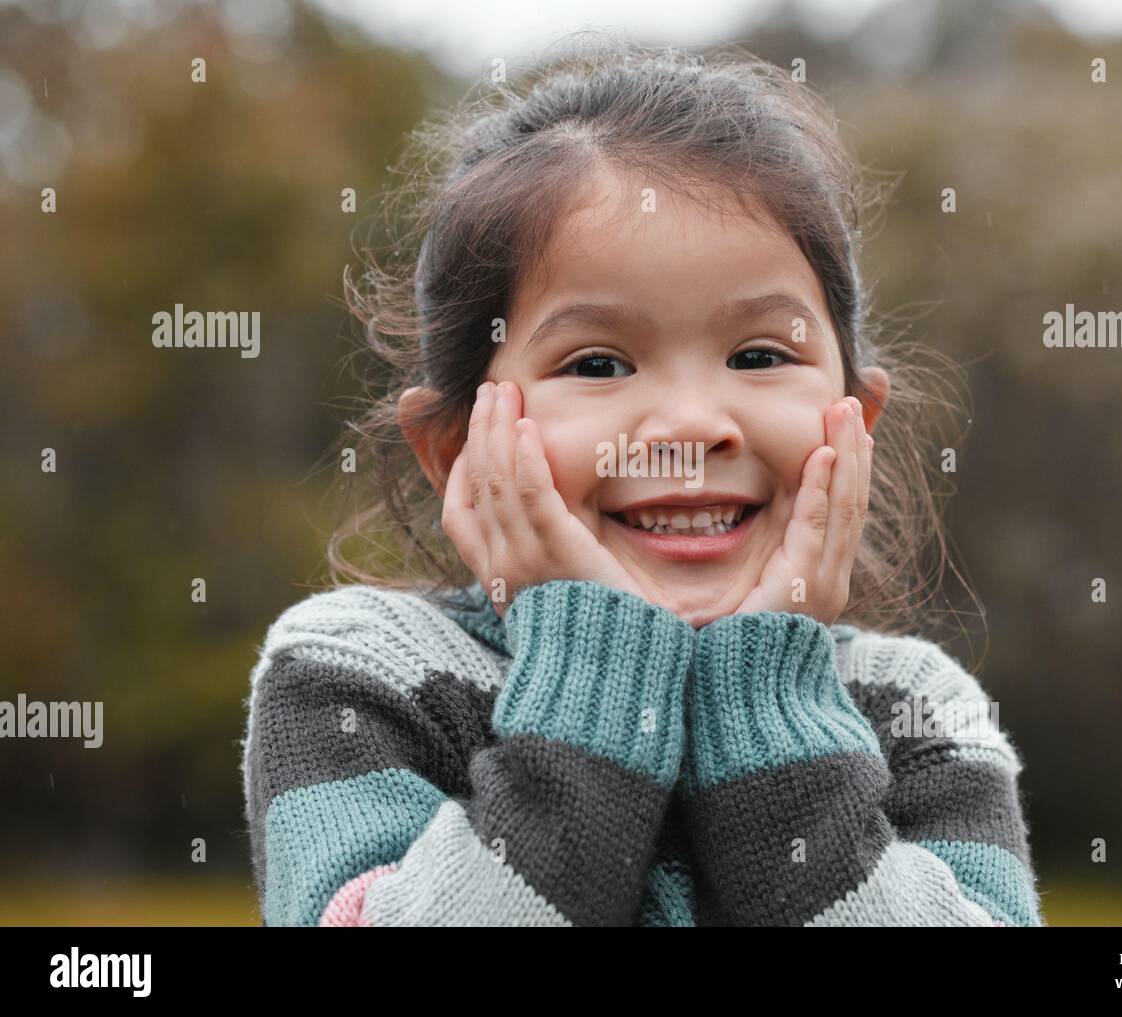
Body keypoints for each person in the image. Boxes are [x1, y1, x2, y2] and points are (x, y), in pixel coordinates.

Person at [240, 34, 1045, 927]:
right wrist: (592, 672)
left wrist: (768, 702)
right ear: (455, 447)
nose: (693, 423)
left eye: (758, 353)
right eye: (596, 364)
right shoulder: (363, 673)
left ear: (856, 422)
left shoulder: (918, 707)